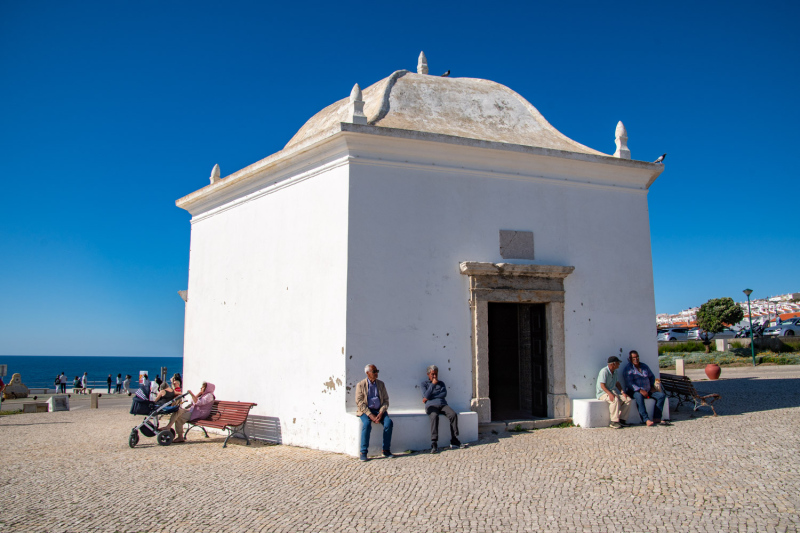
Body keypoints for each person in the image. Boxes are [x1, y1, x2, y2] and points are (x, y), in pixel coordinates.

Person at [421, 365, 465, 453]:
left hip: (442, 404)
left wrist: (430, 396)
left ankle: (454, 439)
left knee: (453, 414)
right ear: (428, 374)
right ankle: (434, 442)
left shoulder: (441, 383)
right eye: (432, 374)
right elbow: (425, 396)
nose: (434, 376)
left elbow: (443, 394)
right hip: (431, 406)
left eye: (436, 374)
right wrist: (433, 385)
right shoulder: (424, 384)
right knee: (434, 417)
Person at [355, 364, 393, 461]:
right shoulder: (361, 385)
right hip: (366, 411)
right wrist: (370, 414)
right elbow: (359, 402)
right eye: (374, 371)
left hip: (379, 410)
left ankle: (386, 450)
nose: (376, 373)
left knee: (388, 423)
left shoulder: (381, 384)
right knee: (367, 424)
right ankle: (363, 451)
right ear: (367, 373)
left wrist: (381, 412)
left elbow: (386, 400)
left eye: (377, 371)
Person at [623, 350, 668, 426]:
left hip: (648, 389)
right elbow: (629, 383)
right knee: (639, 397)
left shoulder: (644, 366)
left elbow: (651, 376)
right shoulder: (628, 369)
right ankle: (646, 419)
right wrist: (640, 390)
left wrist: (652, 386)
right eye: (634, 357)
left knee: (661, 396)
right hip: (634, 391)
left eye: (637, 357)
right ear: (630, 359)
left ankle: (657, 417)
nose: (636, 359)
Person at [596, 356, 632, 429]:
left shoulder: (615, 372)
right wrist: (609, 394)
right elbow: (602, 385)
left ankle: (622, 420)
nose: (619, 365)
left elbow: (617, 383)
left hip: (613, 392)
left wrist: (622, 392)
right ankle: (614, 421)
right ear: (613, 364)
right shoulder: (604, 371)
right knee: (614, 400)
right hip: (602, 393)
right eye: (618, 363)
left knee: (628, 399)